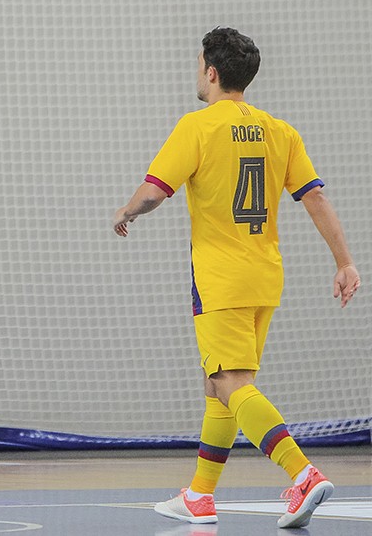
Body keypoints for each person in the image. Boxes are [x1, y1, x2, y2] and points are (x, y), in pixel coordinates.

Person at [112, 27, 361, 529]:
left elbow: (156, 190)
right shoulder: (280, 130)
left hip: (220, 277)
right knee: (218, 385)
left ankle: (303, 474)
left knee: (231, 382)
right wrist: (345, 262)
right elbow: (315, 196)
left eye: (198, 62)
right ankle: (199, 495)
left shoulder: (198, 126)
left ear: (211, 71)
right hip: (265, 276)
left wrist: (127, 210)